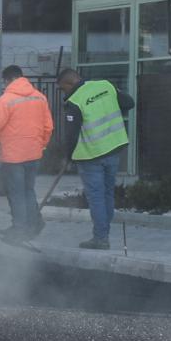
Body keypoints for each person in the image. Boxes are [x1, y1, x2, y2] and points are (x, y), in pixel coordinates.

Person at [54, 66, 131, 249]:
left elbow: (71, 135)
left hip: (91, 155)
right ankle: (104, 233)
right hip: (113, 147)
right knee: (107, 193)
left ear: (70, 82)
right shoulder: (105, 85)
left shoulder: (75, 101)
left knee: (96, 197)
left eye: (63, 88)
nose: (63, 92)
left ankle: (101, 238)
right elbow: (129, 103)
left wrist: (68, 157)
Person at [0, 66, 57, 238]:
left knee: (16, 193)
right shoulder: (40, 97)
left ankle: (19, 227)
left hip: (13, 156)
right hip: (34, 153)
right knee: (28, 190)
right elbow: (48, 127)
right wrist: (41, 145)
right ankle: (35, 222)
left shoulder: (5, 100)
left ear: (7, 80)